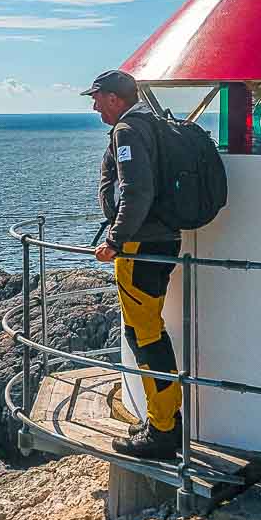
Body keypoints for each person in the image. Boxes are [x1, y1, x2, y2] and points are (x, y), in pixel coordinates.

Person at [82, 69, 183, 460]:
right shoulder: (154, 124)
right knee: (147, 332)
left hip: (141, 246)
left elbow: (137, 191)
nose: (94, 106)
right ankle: (162, 419)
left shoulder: (127, 130)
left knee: (146, 336)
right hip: (164, 238)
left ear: (114, 98)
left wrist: (115, 240)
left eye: (97, 98)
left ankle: (162, 430)